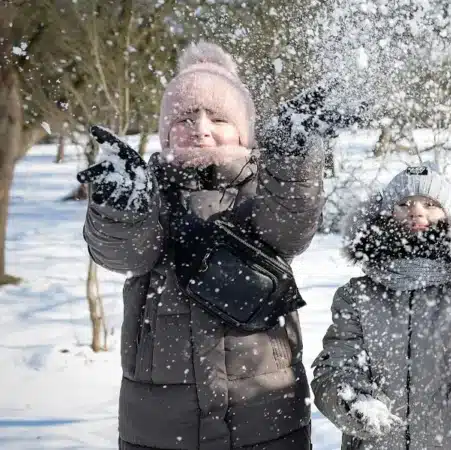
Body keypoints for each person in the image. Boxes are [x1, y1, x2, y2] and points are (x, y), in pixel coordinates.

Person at [81, 41, 337, 449]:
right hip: (160, 417)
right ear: (166, 130)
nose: (200, 128)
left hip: (264, 409)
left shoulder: (264, 188)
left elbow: (289, 229)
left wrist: (291, 160)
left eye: (218, 117)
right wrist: (119, 207)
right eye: (185, 117)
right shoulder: (151, 191)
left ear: (243, 128)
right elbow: (126, 252)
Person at [311, 164, 451, 449]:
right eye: (403, 203)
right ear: (386, 215)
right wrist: (352, 399)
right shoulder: (357, 295)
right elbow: (339, 361)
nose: (416, 211)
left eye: (430, 204)